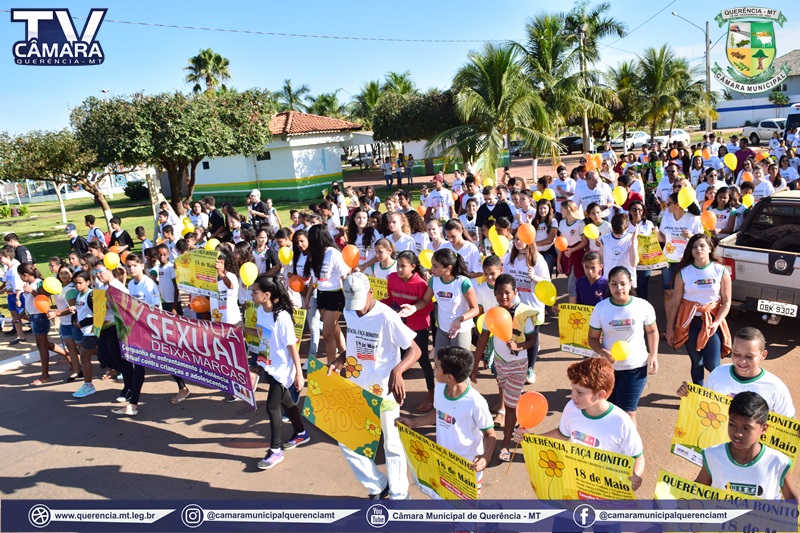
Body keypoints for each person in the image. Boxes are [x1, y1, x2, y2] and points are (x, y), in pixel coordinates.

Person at [331, 272, 421, 500]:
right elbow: (353, 344)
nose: (358, 309)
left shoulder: (387, 317)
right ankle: (378, 485)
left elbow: (415, 350)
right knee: (347, 441)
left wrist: (398, 370)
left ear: (371, 292)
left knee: (392, 443)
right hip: (356, 388)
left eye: (361, 303)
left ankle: (400, 494)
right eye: (353, 304)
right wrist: (341, 359)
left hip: (385, 392)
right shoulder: (350, 311)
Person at [531, 357, 645, 491]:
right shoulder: (571, 407)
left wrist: (636, 475)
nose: (572, 395)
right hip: (575, 480)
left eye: (579, 392)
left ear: (600, 394)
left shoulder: (621, 422)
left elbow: (637, 456)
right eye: (572, 389)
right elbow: (562, 434)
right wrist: (532, 439)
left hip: (606, 487)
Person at [397, 346, 496, 494]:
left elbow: (490, 435)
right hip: (443, 461)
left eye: (436, 367)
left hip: (467, 466)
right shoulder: (440, 389)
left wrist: (485, 458)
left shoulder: (476, 402)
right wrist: (414, 422)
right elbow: (439, 414)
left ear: (449, 377)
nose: (433, 369)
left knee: (465, 508)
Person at [472, 275, 536, 462]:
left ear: (515, 293)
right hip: (499, 364)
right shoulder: (492, 314)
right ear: (494, 294)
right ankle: (518, 423)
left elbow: (533, 339)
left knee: (509, 405)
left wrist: (520, 347)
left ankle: (505, 443)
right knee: (509, 399)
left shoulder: (523, 315)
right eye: (499, 293)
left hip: (518, 365)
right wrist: (475, 365)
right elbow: (483, 339)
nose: (503, 296)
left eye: (507, 292)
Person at [248, 275, 308, 470]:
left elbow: (292, 347)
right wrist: (243, 330)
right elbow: (263, 335)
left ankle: (275, 451)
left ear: (266, 295)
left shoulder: (282, 317)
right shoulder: (259, 309)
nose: (251, 294)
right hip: (268, 364)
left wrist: (299, 375)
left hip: (283, 369)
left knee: (272, 407)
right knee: (287, 402)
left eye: (255, 292)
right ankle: (301, 433)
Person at [587, 266, 658, 426]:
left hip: (635, 367)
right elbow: (592, 338)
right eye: (614, 284)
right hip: (608, 369)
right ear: (609, 286)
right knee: (609, 410)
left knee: (628, 412)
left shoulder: (643, 306)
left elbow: (652, 331)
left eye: (622, 283)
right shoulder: (601, 308)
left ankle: (631, 450)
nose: (619, 288)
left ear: (630, 284)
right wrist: (602, 352)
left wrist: (653, 355)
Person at [695, 392, 797, 500]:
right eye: (732, 424)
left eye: (746, 428)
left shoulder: (778, 462)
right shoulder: (712, 455)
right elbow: (696, 490)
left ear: (764, 429)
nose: (737, 433)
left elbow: (792, 500)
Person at [676, 327, 795, 418]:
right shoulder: (717, 374)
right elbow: (703, 406)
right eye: (736, 354)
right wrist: (689, 396)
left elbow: (787, 426)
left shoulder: (776, 388)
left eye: (749, 356)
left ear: (763, 355)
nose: (742, 361)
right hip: (719, 446)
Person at [666, 233, 732, 387]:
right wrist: (670, 328)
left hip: (712, 323)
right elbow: (675, 302)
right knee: (696, 362)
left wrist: (717, 323)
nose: (698, 249)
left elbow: (727, 301)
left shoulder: (720, 270)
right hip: (689, 323)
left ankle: (719, 393)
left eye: (702, 245)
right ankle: (698, 394)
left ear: (710, 248)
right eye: (694, 247)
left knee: (712, 365)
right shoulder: (683, 272)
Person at [398, 248, 479, 352]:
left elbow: (475, 309)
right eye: (432, 265)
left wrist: (459, 319)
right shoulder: (434, 280)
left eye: (435, 266)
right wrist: (413, 308)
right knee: (439, 363)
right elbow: (424, 301)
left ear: (448, 268)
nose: (431, 269)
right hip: (442, 329)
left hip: (461, 330)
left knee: (458, 365)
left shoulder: (463, 282)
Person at [385, 251, 435, 413]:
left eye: (403, 266)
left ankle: (431, 394)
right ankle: (395, 392)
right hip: (398, 324)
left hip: (418, 326)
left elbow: (429, 306)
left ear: (413, 267)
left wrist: (411, 311)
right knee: (397, 357)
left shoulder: (421, 284)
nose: (399, 269)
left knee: (423, 360)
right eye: (398, 265)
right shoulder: (392, 278)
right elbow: (391, 299)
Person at [502, 231, 549, 384]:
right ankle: (515, 365)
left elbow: (547, 284)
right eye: (515, 239)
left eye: (521, 239)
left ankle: (531, 367)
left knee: (532, 338)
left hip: (533, 306)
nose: (517, 242)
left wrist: (534, 277)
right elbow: (505, 279)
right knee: (514, 335)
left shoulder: (538, 260)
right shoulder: (510, 258)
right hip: (515, 305)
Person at [18, 263, 70, 385]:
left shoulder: (38, 283)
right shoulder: (28, 285)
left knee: (41, 346)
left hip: (40, 317)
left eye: (20, 276)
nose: (20, 278)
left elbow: (43, 299)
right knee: (44, 344)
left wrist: (32, 291)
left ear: (25, 275)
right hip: (33, 317)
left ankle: (45, 375)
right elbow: (29, 303)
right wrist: (21, 315)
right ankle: (68, 356)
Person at [304, 225, 349, 365]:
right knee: (335, 330)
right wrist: (307, 297)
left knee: (327, 333)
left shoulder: (333, 253)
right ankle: (346, 357)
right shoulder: (314, 254)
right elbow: (313, 278)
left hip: (335, 296)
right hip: (321, 296)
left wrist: (349, 297)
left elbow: (344, 276)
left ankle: (331, 365)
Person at [658, 192, 703, 309]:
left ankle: (682, 322)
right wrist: (655, 233)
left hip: (686, 261)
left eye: (668, 203)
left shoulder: (694, 219)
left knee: (685, 294)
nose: (666, 206)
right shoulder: (666, 218)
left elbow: (702, 241)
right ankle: (669, 324)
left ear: (678, 204)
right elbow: (663, 239)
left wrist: (691, 236)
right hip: (668, 260)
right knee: (668, 293)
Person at [49, 265, 83, 381]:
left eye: (66, 273)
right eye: (61, 273)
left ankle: (108, 362)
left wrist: (56, 313)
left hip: (74, 323)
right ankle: (77, 370)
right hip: (64, 324)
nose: (63, 275)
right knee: (70, 347)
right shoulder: (58, 287)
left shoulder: (71, 289)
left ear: (72, 274)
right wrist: (54, 311)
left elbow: (71, 308)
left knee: (83, 347)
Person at [557, 200, 588, 304]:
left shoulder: (580, 223)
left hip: (577, 255)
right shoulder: (561, 223)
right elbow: (561, 243)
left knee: (572, 283)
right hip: (566, 254)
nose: (560, 211)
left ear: (568, 209)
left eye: (562, 209)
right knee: (572, 280)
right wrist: (558, 261)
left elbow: (584, 242)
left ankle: (572, 308)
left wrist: (572, 250)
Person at [598, 213, 638, 287]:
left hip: (626, 282)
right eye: (616, 233)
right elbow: (599, 260)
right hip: (609, 281)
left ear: (627, 227)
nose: (618, 236)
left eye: (621, 233)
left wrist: (634, 241)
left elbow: (634, 263)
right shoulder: (605, 239)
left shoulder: (631, 239)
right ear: (612, 228)